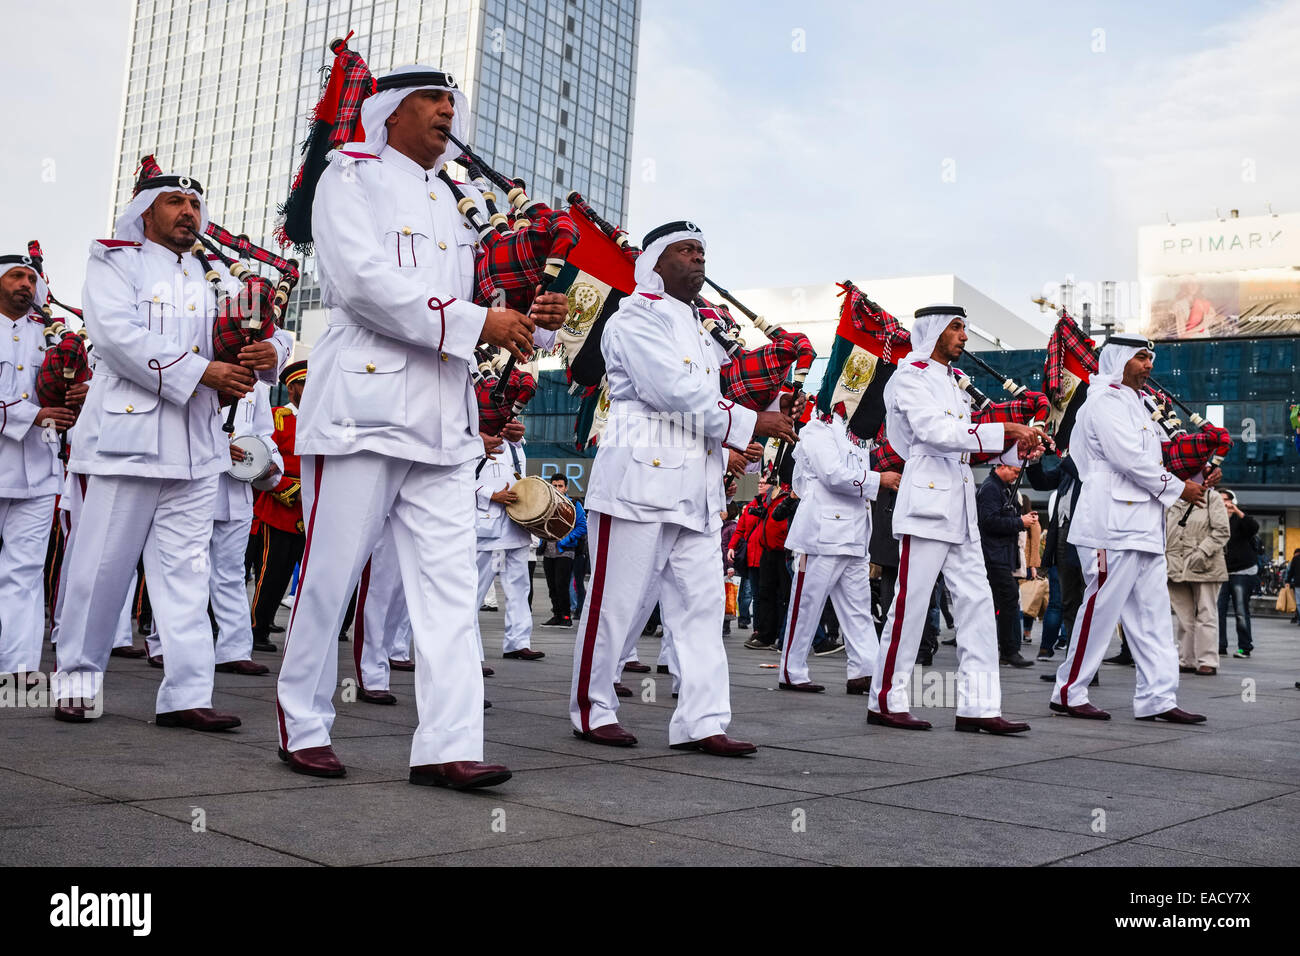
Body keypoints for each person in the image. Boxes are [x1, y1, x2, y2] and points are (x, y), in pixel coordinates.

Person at [273, 64, 568, 788]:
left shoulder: (455, 201)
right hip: (362, 411)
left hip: (443, 422)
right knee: (331, 577)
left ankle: (448, 743)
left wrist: (539, 322)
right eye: (433, 100)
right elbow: (362, 283)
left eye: (451, 101)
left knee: (446, 589)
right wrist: (480, 320)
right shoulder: (352, 175)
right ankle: (303, 724)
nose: (447, 111)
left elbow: (492, 311)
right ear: (391, 111)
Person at [53, 163, 287, 726]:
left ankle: (187, 695)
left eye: (194, 205)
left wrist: (267, 357)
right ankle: (77, 682)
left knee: (187, 571)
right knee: (102, 566)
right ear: (146, 211)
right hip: (125, 440)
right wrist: (202, 372)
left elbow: (262, 335)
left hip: (198, 446)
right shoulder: (115, 260)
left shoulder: (221, 278)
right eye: (175, 202)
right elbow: (116, 335)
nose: (188, 213)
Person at [568, 220, 795, 755]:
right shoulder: (634, 319)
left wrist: (773, 389)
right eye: (686, 250)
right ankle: (592, 707)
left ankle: (702, 720)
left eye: (702, 251)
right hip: (638, 481)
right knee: (615, 604)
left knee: (701, 610)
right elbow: (671, 391)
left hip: (696, 491)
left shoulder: (701, 327)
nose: (698, 259)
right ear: (654, 263)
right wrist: (748, 423)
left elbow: (728, 384)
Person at [868, 303, 1042, 734]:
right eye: (957, 328)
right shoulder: (910, 376)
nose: (965, 336)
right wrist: (1006, 431)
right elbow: (934, 433)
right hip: (927, 501)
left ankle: (978, 707)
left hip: (960, 504)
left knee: (979, 605)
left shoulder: (954, 382)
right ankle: (885, 700)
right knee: (909, 607)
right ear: (934, 332)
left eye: (964, 327)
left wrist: (1015, 448)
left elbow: (967, 444)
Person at [1048, 334, 1210, 723]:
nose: (1149, 365)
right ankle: (1069, 691)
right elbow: (1128, 459)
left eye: (1150, 358)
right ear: (1119, 359)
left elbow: (1163, 456)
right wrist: (1178, 488)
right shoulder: (1103, 401)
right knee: (1100, 609)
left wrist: (1199, 473)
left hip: (1144, 525)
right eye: (1141, 357)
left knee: (1153, 616)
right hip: (1110, 523)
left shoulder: (1143, 405)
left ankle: (1159, 697)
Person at [778, 405, 899, 694]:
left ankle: (865, 669)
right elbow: (832, 474)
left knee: (858, 607)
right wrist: (878, 480)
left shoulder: (856, 436)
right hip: (823, 534)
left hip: (854, 534)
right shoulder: (817, 429)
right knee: (806, 605)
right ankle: (791, 670)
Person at [0, 254, 77, 676]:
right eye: (16, 275)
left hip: (40, 470)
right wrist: (32, 416)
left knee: (25, 572)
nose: (26, 284)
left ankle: (17, 667)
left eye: (31, 277)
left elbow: (73, 389)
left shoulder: (53, 338)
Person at [210, 376, 289, 676]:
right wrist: (218, 446)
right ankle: (165, 645)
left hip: (238, 487)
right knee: (184, 571)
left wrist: (270, 463)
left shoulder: (257, 384)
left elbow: (263, 432)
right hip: (196, 481)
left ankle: (233, 649)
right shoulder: (204, 361)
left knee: (232, 572)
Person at [249, 361, 307, 653]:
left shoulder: (323, 420)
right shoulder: (277, 418)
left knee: (301, 576)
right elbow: (263, 460)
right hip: (281, 505)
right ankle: (258, 628)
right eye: (305, 385)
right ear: (292, 388)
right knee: (272, 571)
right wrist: (286, 490)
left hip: (313, 507)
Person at [473, 420, 544, 660]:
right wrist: (491, 495)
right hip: (489, 527)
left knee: (520, 588)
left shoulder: (516, 445)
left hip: (516, 526)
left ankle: (518, 641)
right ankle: (468, 648)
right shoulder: (474, 440)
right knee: (475, 590)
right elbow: (460, 479)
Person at [976, 462, 1036, 668]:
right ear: (1001, 466)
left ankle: (1004, 649)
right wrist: (1020, 522)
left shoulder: (997, 487)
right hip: (995, 555)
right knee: (1008, 599)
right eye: (1014, 471)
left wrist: (1020, 519)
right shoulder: (991, 488)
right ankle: (1009, 650)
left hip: (999, 553)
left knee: (1000, 601)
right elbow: (989, 521)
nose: (1015, 476)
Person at [1166, 482, 1229, 675]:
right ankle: (1186, 659)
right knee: (1184, 617)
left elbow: (1222, 531)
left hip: (1205, 565)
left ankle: (1207, 660)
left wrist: (1202, 551)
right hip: (1174, 565)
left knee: (1206, 613)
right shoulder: (1169, 500)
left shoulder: (1212, 498)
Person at [1217, 489, 1259, 659]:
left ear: (1232, 501)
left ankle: (1245, 647)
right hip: (1221, 571)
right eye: (1219, 500)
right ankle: (1220, 646)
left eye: (1226, 500)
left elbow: (1253, 527)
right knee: (1218, 610)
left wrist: (1236, 511)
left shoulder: (1239, 519)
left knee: (1241, 610)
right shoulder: (1215, 518)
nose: (1223, 503)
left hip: (1243, 570)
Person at [540, 474, 584, 626]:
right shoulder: (545, 503)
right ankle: (556, 615)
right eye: (554, 485)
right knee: (552, 586)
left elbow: (581, 527)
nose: (557, 488)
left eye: (560, 486)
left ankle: (566, 617)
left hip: (565, 551)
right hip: (548, 551)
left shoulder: (574, 504)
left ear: (566, 488)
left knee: (561, 584)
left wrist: (565, 541)